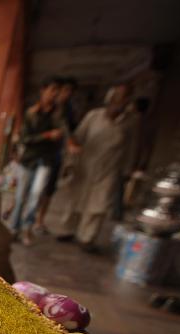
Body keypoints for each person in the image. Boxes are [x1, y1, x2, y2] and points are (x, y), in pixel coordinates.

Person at [54, 83, 136, 252]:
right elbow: (77, 137)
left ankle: (87, 237)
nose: (120, 102)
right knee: (75, 200)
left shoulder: (130, 123)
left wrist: (128, 171)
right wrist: (71, 153)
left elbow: (132, 148)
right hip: (85, 165)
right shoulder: (94, 116)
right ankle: (67, 230)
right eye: (118, 98)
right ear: (110, 99)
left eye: (125, 98)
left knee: (99, 205)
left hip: (109, 169)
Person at [6, 77, 64, 246]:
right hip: (29, 159)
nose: (54, 95)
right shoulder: (32, 113)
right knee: (21, 195)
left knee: (36, 195)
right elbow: (25, 139)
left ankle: (27, 228)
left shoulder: (58, 115)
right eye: (52, 90)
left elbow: (64, 133)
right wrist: (46, 136)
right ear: (43, 91)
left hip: (46, 161)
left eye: (57, 92)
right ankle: (13, 228)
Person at [34, 77, 78, 233]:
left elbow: (67, 131)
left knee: (48, 190)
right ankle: (25, 216)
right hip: (38, 156)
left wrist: (70, 144)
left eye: (69, 92)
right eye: (63, 91)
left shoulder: (67, 111)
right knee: (33, 189)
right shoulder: (43, 108)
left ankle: (39, 220)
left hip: (55, 157)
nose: (64, 94)